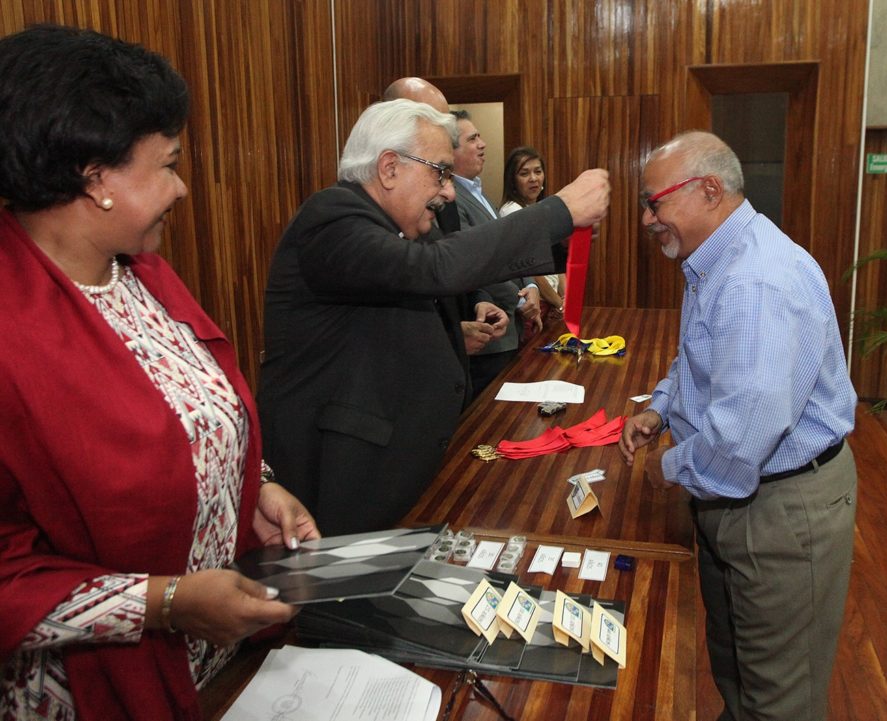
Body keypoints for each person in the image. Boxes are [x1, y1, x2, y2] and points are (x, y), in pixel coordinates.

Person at [0, 25, 320, 720]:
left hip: (214, 660)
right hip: (91, 689)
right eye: (168, 164)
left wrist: (255, 488)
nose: (182, 187)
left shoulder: (141, 274)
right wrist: (166, 602)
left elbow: (189, 417)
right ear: (95, 178)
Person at [257, 99, 609, 536]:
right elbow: (434, 269)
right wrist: (559, 211)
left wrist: (562, 238)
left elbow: (425, 289)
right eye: (440, 172)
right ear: (389, 168)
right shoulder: (332, 218)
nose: (449, 192)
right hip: (338, 482)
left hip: (396, 465)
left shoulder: (399, 225)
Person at [618, 131, 858, 721]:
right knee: (736, 666)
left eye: (655, 202)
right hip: (740, 497)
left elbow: (742, 435)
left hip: (779, 508)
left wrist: (665, 469)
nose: (647, 219)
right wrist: (660, 408)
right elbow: (698, 360)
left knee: (779, 695)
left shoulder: (754, 282)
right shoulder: (717, 261)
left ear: (709, 190)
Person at [382, 77, 509, 360]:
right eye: (431, 121)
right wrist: (450, 338)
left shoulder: (444, 203)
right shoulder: (351, 222)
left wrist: (479, 300)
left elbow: (455, 269)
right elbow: (379, 336)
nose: (449, 193)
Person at [450, 110, 542, 394]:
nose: (482, 144)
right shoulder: (451, 198)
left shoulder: (480, 194)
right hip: (490, 336)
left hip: (510, 330)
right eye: (472, 139)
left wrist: (531, 286)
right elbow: (477, 263)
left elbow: (511, 252)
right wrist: (520, 302)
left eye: (480, 136)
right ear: (450, 150)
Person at [498, 146, 565, 324]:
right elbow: (531, 270)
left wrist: (565, 300)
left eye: (538, 171)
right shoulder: (512, 211)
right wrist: (559, 304)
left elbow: (556, 263)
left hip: (552, 301)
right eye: (524, 173)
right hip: (535, 305)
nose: (533, 178)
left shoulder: (542, 209)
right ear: (512, 180)